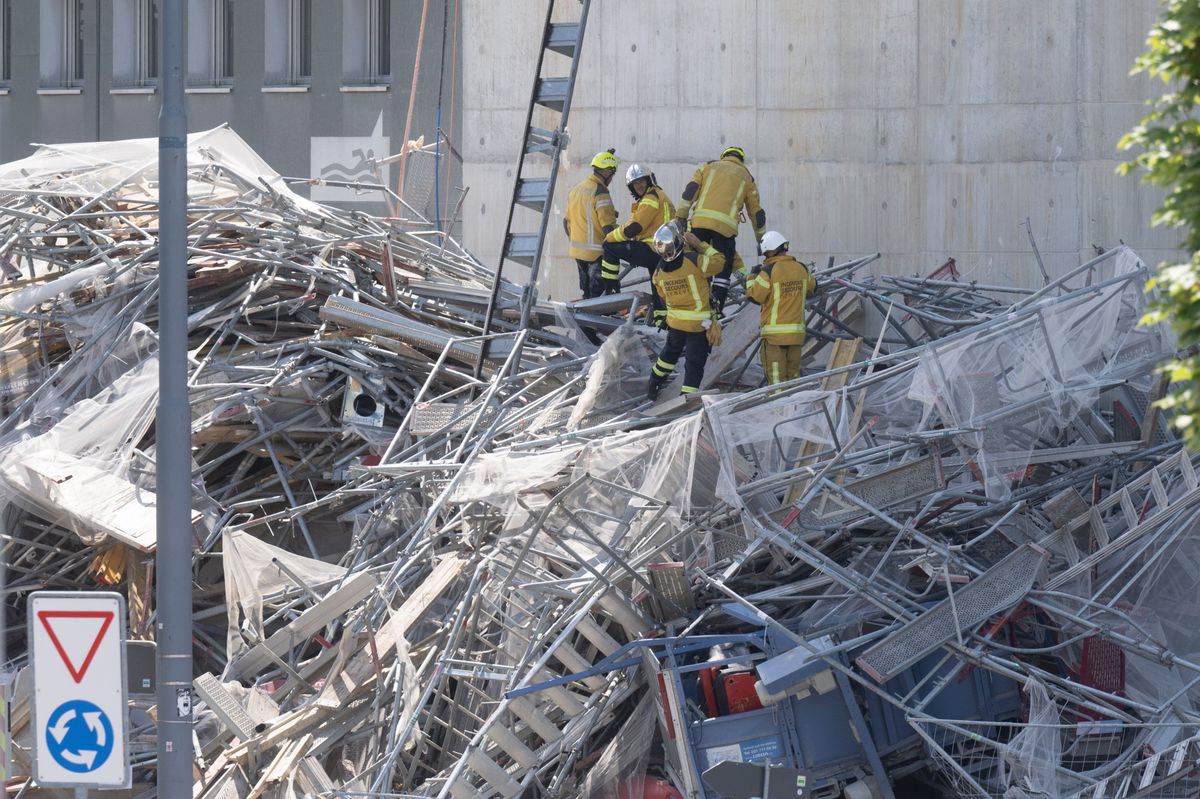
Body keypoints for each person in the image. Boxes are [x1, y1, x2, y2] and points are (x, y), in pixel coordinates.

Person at [674, 145, 766, 315]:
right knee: (722, 268)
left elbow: (689, 192)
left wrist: (681, 216)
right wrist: (762, 241)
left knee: (697, 264)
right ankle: (716, 309)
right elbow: (757, 213)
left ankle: (694, 304)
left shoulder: (708, 167)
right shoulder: (746, 177)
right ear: (741, 160)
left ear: (723, 156)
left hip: (699, 225)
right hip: (725, 229)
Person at [647, 223, 726, 400]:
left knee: (668, 355)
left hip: (675, 322)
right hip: (698, 326)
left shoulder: (659, 271)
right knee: (694, 363)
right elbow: (719, 262)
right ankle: (687, 399)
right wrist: (699, 244)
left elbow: (662, 296)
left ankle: (654, 382)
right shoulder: (694, 260)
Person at [600, 164, 675, 320]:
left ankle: (611, 291)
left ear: (648, 180)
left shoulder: (651, 198)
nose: (639, 185)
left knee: (609, 247)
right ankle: (662, 320)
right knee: (658, 288)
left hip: (653, 249)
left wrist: (610, 237)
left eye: (641, 181)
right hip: (663, 251)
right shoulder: (657, 196)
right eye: (635, 183)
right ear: (631, 187)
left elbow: (635, 227)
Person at [746, 230, 817, 385]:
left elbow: (755, 296)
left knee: (777, 382)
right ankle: (794, 408)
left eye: (765, 254)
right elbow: (813, 288)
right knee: (794, 379)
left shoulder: (768, 271)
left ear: (771, 251)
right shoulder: (801, 269)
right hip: (796, 336)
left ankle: (779, 409)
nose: (765, 257)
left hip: (774, 337)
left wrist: (751, 278)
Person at [564, 149, 618, 298]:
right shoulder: (600, 191)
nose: (612, 178)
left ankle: (585, 321)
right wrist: (627, 234)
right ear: (607, 172)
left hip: (578, 252)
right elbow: (608, 227)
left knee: (587, 294)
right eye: (612, 174)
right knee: (600, 298)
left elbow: (566, 221)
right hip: (596, 254)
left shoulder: (576, 189)